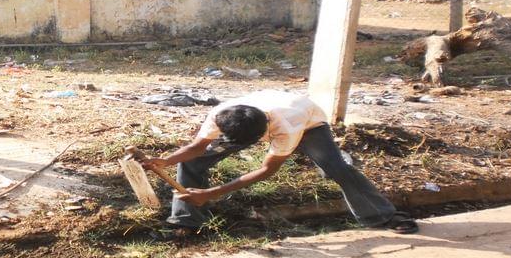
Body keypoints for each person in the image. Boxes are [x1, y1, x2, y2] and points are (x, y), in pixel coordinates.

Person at [140, 90, 418, 239]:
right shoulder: (222, 114)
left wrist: (213, 193)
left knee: (336, 168)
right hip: (252, 121)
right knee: (194, 163)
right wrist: (165, 160)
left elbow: (267, 170)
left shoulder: (286, 126)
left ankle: (383, 215)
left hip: (309, 123)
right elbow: (197, 147)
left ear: (263, 133)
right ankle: (187, 222)